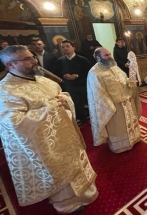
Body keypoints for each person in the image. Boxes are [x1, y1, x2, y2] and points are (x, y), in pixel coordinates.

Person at [0, 45, 98, 214]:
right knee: (59, 172)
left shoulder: (42, 79)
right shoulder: (6, 90)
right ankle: (67, 204)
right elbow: (13, 123)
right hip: (45, 145)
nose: (34, 61)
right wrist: (50, 108)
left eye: (32, 57)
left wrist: (64, 99)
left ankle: (86, 193)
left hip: (66, 134)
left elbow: (62, 94)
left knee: (76, 163)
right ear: (10, 65)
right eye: (27, 59)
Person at [87, 47, 142, 153]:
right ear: (98, 57)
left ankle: (134, 138)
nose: (109, 57)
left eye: (109, 54)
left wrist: (130, 80)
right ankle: (121, 146)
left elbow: (122, 79)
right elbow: (98, 94)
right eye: (106, 55)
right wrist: (110, 107)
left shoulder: (114, 66)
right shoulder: (94, 73)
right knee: (118, 127)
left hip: (126, 101)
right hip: (113, 106)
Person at [56, 40, 91, 126]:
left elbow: (89, 73)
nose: (65, 48)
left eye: (67, 46)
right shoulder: (59, 61)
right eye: (63, 47)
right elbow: (57, 74)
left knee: (86, 102)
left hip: (82, 85)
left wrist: (77, 76)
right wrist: (64, 76)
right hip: (69, 86)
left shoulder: (82, 59)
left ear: (73, 47)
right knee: (75, 103)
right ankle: (80, 119)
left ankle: (89, 118)